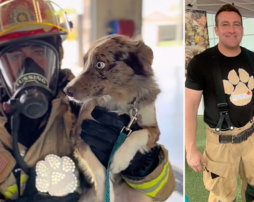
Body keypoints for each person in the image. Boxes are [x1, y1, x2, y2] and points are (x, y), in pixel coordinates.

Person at [0, 0, 175, 201]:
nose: (28, 67)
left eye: (39, 52)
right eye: (14, 56)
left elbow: (163, 191)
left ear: (57, 55)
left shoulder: (96, 104)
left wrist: (143, 165)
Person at [185, 4, 254, 202]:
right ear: (216, 30)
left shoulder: (252, 57)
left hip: (251, 138)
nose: (231, 29)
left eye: (236, 24)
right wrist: (190, 148)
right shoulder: (200, 63)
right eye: (225, 24)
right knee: (223, 195)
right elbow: (189, 108)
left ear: (242, 28)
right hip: (219, 143)